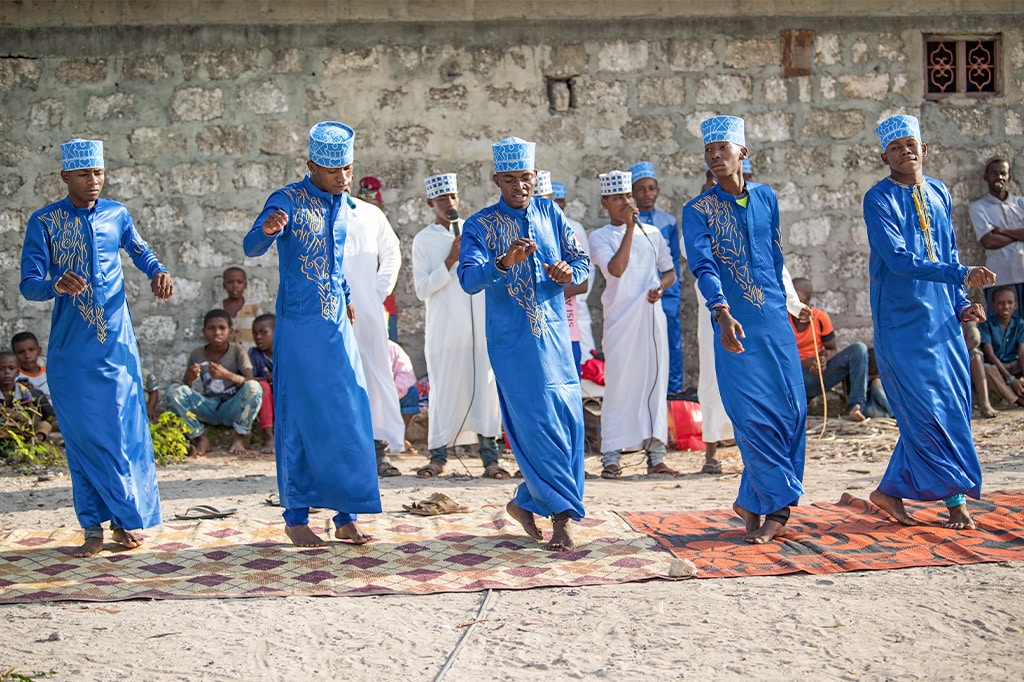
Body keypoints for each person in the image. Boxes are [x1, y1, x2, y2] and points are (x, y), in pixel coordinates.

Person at [20, 138, 174, 557]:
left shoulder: (116, 214)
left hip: (117, 345)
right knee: (84, 434)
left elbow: (141, 251)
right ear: (66, 176)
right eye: (85, 174)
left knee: (124, 431)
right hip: (72, 351)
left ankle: (127, 520)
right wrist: (55, 284)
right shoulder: (45, 222)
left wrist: (158, 271)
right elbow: (29, 284)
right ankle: (92, 526)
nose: (94, 181)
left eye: (99, 173)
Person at [244, 121, 381, 547]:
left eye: (348, 169)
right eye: (333, 170)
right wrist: (267, 231)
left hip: (336, 322)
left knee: (347, 410)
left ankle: (346, 514)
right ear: (311, 166)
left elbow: (333, 262)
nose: (342, 178)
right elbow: (251, 245)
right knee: (300, 413)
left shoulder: (343, 205)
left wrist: (345, 294)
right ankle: (296, 515)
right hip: (300, 324)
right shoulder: (286, 199)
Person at [864, 114, 995, 530]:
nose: (905, 150)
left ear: (924, 149)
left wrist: (961, 302)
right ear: (884, 155)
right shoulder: (878, 199)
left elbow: (949, 250)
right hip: (901, 320)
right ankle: (955, 501)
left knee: (953, 405)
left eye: (911, 143)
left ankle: (891, 490)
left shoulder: (938, 191)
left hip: (942, 317)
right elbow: (900, 261)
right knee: (923, 410)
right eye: (896, 146)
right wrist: (960, 276)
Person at [458, 136, 590, 552]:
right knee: (538, 426)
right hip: (513, 341)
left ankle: (525, 501)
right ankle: (562, 517)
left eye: (527, 178)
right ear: (496, 179)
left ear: (536, 177)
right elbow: (468, 279)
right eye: (511, 179)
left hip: (555, 336)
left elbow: (581, 262)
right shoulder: (480, 225)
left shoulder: (551, 211)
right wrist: (503, 263)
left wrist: (569, 271)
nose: (520, 186)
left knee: (569, 422)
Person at [682, 116, 807, 544]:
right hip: (731, 321)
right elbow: (704, 265)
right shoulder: (697, 211)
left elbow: (774, 256)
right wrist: (720, 310)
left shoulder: (767, 198)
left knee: (790, 410)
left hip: (774, 318)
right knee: (752, 413)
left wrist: (790, 305)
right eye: (708, 150)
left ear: (743, 154)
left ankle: (751, 499)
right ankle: (778, 507)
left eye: (723, 149)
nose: (715, 156)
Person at [412, 172, 505, 478]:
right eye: (442, 199)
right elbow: (422, 289)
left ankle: (490, 457)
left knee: (485, 391)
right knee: (445, 391)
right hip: (445, 330)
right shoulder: (423, 239)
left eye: (452, 197)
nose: (449, 203)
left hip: (478, 330)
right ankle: (438, 456)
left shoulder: (473, 231)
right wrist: (450, 259)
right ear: (431, 203)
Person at [589, 169, 679, 479]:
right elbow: (616, 270)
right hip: (620, 320)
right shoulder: (599, 236)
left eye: (627, 196)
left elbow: (669, 272)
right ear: (605, 203)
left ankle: (656, 455)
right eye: (618, 198)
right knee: (620, 384)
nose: (626, 202)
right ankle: (612, 455)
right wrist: (629, 228)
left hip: (651, 320)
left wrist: (661, 287)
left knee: (654, 381)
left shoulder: (653, 234)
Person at [343, 171, 405, 477]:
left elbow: (391, 252)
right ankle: (343, 452)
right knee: (334, 379)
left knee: (374, 375)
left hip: (366, 311)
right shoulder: (314, 213)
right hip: (326, 311)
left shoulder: (369, 213)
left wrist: (376, 292)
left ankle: (380, 449)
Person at [789, 277, 892, 421]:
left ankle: (856, 406)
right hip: (794, 378)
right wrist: (806, 363)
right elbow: (780, 358)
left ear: (808, 300)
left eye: (799, 299)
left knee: (859, 350)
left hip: (819, 374)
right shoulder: (784, 320)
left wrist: (823, 360)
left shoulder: (820, 318)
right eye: (791, 299)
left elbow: (832, 349)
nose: (794, 304)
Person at [165, 309, 263, 456]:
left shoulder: (238, 351)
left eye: (222, 328)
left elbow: (250, 380)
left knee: (254, 387)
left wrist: (229, 376)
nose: (217, 332)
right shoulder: (197, 354)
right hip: (209, 407)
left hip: (233, 407)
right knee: (173, 391)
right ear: (204, 332)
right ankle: (200, 437)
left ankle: (239, 438)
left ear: (230, 331)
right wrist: (191, 377)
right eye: (211, 328)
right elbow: (185, 387)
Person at [630, 161, 685, 397]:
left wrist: (666, 286)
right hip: (637, 291)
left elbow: (672, 261)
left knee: (671, 339)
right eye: (641, 189)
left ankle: (673, 390)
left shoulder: (668, 221)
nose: (647, 194)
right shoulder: (628, 221)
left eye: (651, 188)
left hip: (668, 291)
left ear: (658, 190)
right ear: (632, 192)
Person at [535, 171, 591, 374]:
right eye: (538, 202)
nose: (548, 208)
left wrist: (548, 288)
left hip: (566, 328)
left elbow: (582, 283)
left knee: (569, 387)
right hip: (533, 331)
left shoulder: (569, 234)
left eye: (550, 202)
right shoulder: (520, 238)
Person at [969, 157, 1024, 315]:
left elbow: (995, 236)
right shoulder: (978, 207)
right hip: (1000, 278)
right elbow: (988, 241)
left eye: (1003, 173)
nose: (999, 177)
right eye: (994, 173)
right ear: (986, 177)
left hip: (1023, 273)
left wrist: (1002, 231)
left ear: (1009, 177)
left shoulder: (1020, 204)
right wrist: (1019, 234)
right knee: (1001, 331)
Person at [551, 181, 597, 362]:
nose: (558, 205)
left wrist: (578, 292)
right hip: (552, 300)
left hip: (573, 298)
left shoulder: (574, 228)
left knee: (581, 353)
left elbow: (586, 266)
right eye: (554, 200)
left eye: (561, 201)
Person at [978, 286, 1024, 407]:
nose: (1006, 307)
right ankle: (1017, 400)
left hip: (1015, 365)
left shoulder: (1019, 324)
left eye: (1010, 303)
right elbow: (990, 354)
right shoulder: (986, 325)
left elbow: (1022, 353)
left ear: (1016, 305)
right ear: (993, 305)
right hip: (997, 367)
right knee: (985, 369)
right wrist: (1011, 379)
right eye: (1001, 303)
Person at [0, 350, 56, 443]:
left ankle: (33, 444)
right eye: (1, 369)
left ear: (18, 372)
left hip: (21, 428)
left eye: (11, 368)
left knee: (45, 425)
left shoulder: (23, 390)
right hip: (3, 427)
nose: (7, 372)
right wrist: (7, 413)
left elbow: (33, 412)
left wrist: (29, 421)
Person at [249, 313, 275, 453]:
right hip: (266, 402)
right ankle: (269, 437)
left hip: (284, 400)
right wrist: (265, 379)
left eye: (263, 333)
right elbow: (249, 379)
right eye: (255, 333)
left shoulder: (286, 352)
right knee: (263, 387)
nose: (258, 337)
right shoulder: (254, 354)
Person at [219, 266, 261, 345]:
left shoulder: (254, 308)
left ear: (245, 285)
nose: (235, 286)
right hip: (226, 355)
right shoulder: (217, 309)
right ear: (224, 285)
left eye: (239, 282)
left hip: (249, 354)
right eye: (230, 282)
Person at [11, 331, 49, 397]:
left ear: (39, 351)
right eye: (21, 352)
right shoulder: (13, 377)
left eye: (31, 350)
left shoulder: (49, 374)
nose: (27, 356)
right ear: (14, 355)